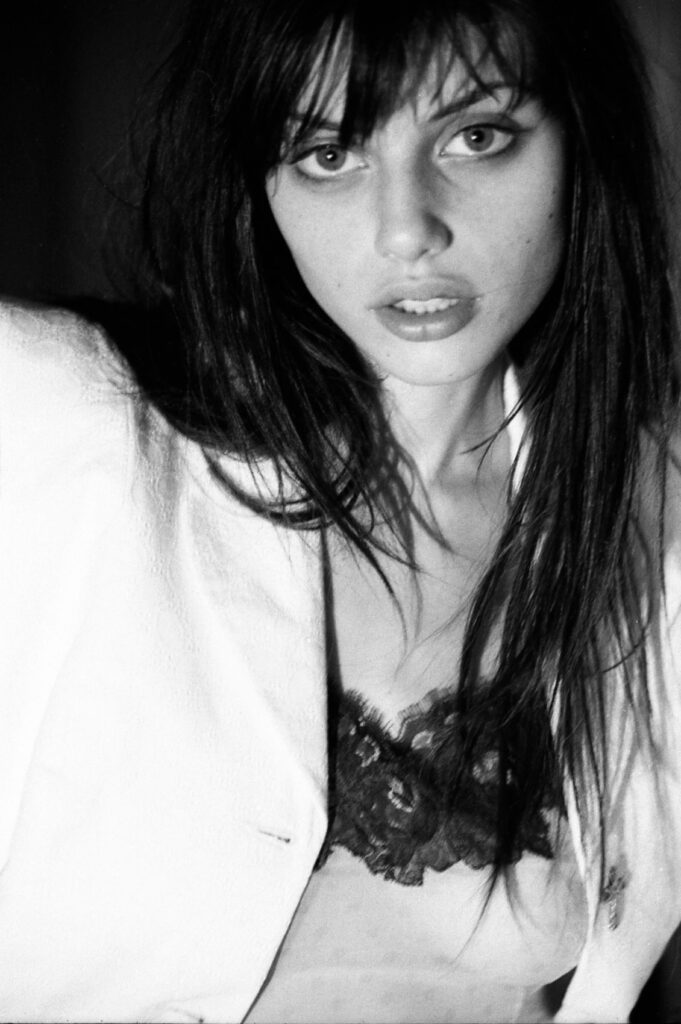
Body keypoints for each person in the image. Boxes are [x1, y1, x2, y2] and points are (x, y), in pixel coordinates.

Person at [1, 0, 680, 1020]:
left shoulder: (648, 520)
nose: (408, 229)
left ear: (581, 141)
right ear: (257, 182)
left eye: (477, 136)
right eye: (328, 155)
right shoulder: (61, 417)